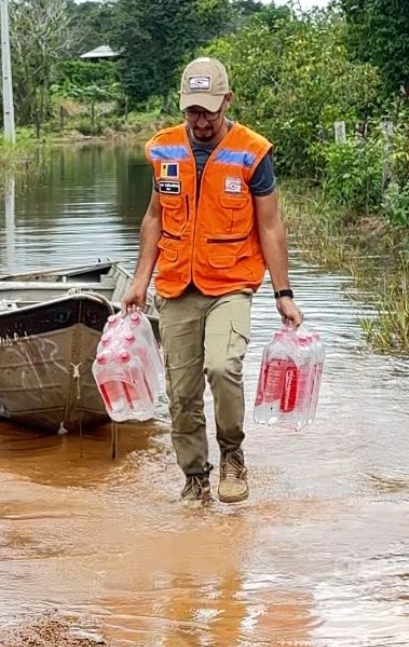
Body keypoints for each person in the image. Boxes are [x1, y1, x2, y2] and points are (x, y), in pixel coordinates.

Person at [121, 57, 304, 506]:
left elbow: (271, 226)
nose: (200, 121)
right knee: (181, 394)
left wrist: (284, 293)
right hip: (176, 286)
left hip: (231, 285)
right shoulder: (163, 150)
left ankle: (233, 456)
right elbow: (153, 218)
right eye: (192, 111)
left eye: (208, 110)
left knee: (222, 368)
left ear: (227, 100)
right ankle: (195, 480)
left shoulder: (252, 153)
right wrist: (140, 280)